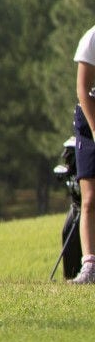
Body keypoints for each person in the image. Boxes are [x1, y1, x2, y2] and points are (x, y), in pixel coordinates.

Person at [68, 26, 95, 285]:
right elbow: (83, 89)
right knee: (89, 199)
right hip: (90, 123)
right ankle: (90, 266)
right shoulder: (91, 38)